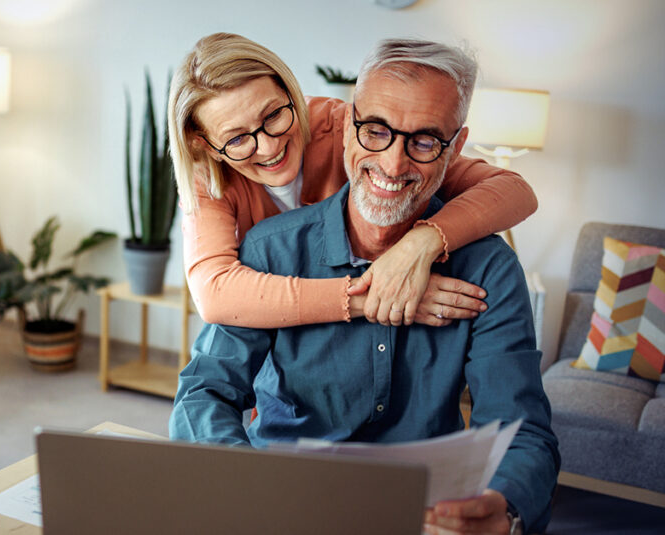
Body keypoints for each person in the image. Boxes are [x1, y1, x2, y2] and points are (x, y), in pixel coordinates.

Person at [170, 38, 559, 535]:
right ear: (351, 126)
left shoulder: (490, 271)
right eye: (376, 131)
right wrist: (248, 483)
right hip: (280, 500)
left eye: (423, 141)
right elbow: (203, 391)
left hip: (423, 512)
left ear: (455, 147)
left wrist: (505, 509)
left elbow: (522, 433)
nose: (395, 165)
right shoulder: (265, 246)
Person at [169, 33, 538, 329]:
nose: (269, 146)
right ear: (208, 146)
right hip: (276, 345)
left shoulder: (356, 132)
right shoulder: (209, 177)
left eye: (275, 115)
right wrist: (373, 297)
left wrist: (422, 243)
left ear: (291, 92)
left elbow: (514, 190)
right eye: (236, 139)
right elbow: (215, 294)